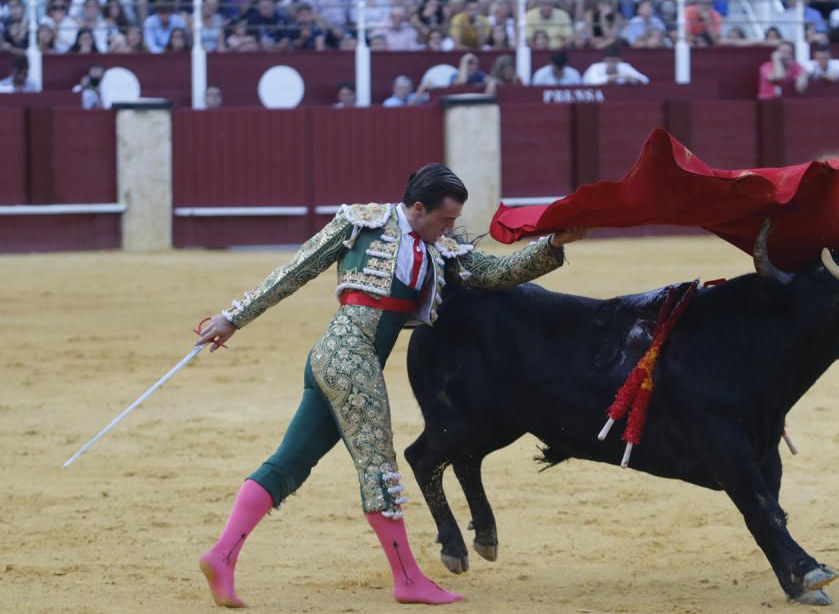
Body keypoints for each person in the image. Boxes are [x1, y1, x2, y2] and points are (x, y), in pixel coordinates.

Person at [195, 166, 587, 608]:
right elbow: (295, 269)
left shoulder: (442, 248)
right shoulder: (362, 222)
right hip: (350, 359)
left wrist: (552, 245)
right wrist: (233, 317)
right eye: (444, 219)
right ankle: (407, 578)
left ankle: (222, 556)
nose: (450, 229)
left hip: (338, 360)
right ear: (418, 208)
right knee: (379, 471)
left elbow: (495, 273)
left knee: (291, 462)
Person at [582, 44, 650, 85]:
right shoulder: (595, 67)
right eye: (610, 61)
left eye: (614, 61)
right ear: (605, 60)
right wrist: (614, 77)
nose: (612, 63)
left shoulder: (625, 66)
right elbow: (593, 82)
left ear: (619, 61)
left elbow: (645, 80)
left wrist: (635, 79)